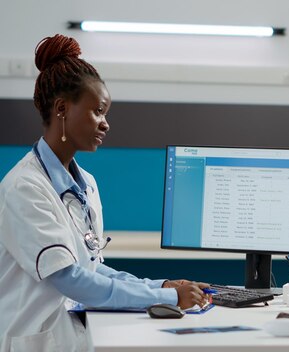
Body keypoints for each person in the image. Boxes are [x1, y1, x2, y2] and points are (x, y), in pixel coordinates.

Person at [0, 34, 211, 352]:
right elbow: (71, 280)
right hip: (37, 343)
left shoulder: (86, 184)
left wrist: (158, 284)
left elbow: (91, 268)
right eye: (97, 111)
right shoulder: (24, 188)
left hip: (76, 338)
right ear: (61, 109)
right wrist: (167, 297)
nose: (106, 124)